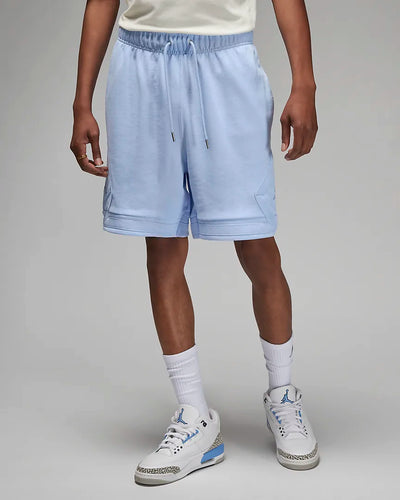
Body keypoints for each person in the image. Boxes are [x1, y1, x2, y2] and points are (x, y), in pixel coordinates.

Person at [70, 0, 320, 485]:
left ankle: (283, 394)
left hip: (226, 63)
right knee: (161, 245)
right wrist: (81, 102)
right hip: (140, 67)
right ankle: (194, 415)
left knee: (255, 241)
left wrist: (304, 84)